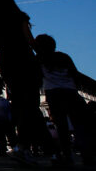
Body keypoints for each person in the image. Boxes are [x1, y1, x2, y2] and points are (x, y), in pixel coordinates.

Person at [0, 0, 45, 166]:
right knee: (31, 106)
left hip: (6, 64)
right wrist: (44, 58)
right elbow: (30, 41)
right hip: (25, 61)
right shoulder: (19, 17)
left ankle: (24, 147)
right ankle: (36, 147)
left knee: (19, 105)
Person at [35, 33, 94, 165]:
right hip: (70, 92)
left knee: (61, 126)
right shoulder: (63, 57)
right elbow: (75, 73)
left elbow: (38, 78)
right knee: (79, 125)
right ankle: (87, 154)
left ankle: (67, 155)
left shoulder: (39, 60)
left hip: (54, 94)